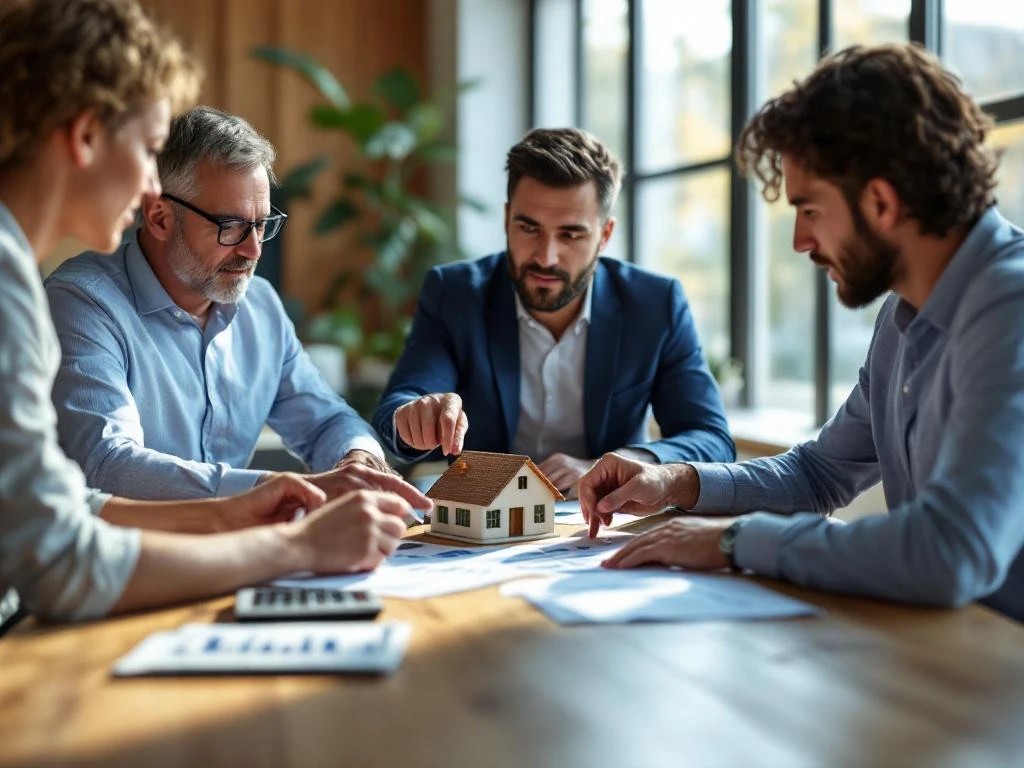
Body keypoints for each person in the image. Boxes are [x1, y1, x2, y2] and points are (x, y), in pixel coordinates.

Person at [579, 43, 1024, 622]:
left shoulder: (1009, 307)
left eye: (809, 210)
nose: (800, 242)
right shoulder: (903, 314)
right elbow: (821, 473)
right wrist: (672, 481)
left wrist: (735, 541)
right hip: (946, 659)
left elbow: (952, 550)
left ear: (881, 200)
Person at [0, 0, 414, 622]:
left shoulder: (258, 309)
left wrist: (269, 499)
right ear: (86, 136)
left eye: (261, 226)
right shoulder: (40, 292)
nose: (147, 190)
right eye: (147, 150)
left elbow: (67, 509)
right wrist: (290, 539)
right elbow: (66, 550)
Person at [45, 105, 429, 515]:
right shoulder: (81, 302)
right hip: (124, 567)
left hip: (239, 561)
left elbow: (326, 421)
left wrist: (358, 460)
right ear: (160, 217)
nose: (253, 250)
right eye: (230, 227)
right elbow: (109, 465)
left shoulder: (259, 304)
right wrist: (275, 489)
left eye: (262, 224)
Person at [373, 127, 734, 496]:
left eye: (571, 235)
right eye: (528, 228)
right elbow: (397, 406)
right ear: (506, 218)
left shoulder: (656, 304)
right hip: (486, 524)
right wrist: (413, 417)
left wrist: (622, 462)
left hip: (602, 523)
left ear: (605, 235)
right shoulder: (455, 294)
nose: (546, 257)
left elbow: (712, 439)